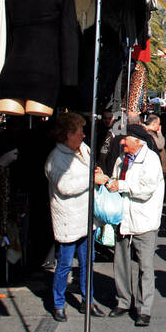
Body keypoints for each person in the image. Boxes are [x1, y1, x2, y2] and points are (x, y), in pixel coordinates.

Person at [95, 124, 164, 326]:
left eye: (126, 139)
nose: (122, 142)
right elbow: (115, 182)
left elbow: (146, 189)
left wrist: (120, 185)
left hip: (144, 220)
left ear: (138, 141)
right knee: (121, 262)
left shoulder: (150, 160)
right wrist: (106, 179)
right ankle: (123, 301)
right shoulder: (121, 159)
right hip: (123, 217)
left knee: (145, 266)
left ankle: (144, 309)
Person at [44, 112, 99, 321]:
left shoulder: (83, 150)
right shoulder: (55, 159)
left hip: (85, 217)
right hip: (68, 219)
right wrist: (92, 179)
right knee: (65, 265)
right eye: (79, 132)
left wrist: (95, 173)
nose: (83, 136)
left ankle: (88, 300)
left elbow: (91, 170)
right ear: (68, 134)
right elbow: (65, 186)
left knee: (87, 263)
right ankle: (58, 304)